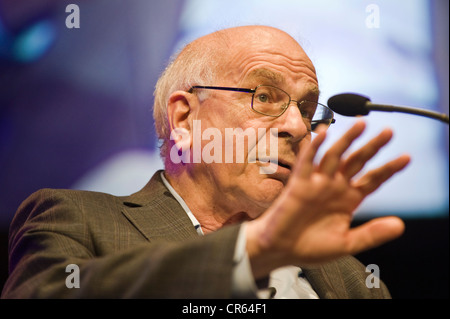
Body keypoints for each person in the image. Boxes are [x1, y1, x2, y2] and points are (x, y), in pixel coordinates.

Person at [1, 25, 410, 299]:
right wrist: (250, 252)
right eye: (264, 97)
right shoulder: (77, 222)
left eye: (305, 109)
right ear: (184, 118)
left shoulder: (353, 279)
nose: (297, 127)